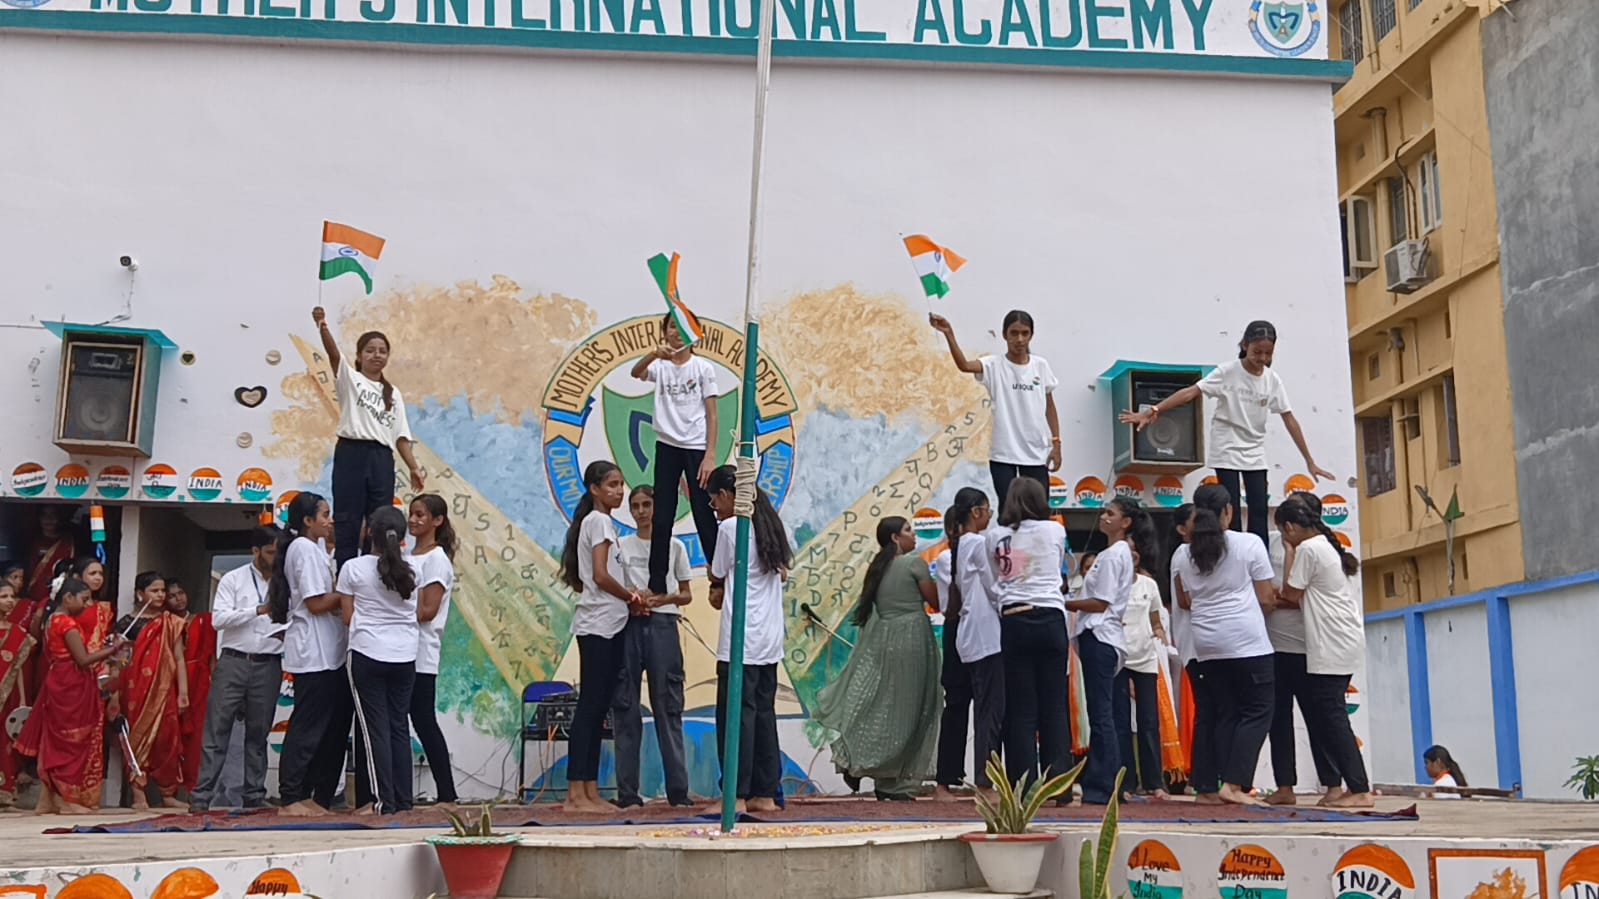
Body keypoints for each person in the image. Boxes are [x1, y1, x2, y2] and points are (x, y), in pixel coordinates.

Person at [1120, 321, 1333, 545]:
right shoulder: (1228, 372)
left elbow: (1289, 419)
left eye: (1267, 353)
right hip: (1227, 445)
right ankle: (1233, 551)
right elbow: (1191, 392)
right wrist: (1155, 410)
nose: (1261, 358)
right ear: (1244, 345)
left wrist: (1309, 460)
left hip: (1254, 449)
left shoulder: (1272, 380)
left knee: (1259, 508)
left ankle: (1258, 557)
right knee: (1229, 506)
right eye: (1256, 352)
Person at [817, 516, 942, 801]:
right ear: (896, 538)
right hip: (911, 640)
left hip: (885, 641)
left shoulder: (878, 567)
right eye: (909, 531)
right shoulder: (915, 564)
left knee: (888, 708)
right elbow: (936, 601)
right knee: (913, 711)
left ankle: (883, 778)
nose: (914, 536)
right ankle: (884, 775)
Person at [1170, 485, 1276, 806]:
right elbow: (1266, 597)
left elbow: (1184, 600)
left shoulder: (1183, 553)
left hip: (1206, 644)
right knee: (1257, 711)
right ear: (1228, 511)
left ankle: (1205, 787)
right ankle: (1234, 784)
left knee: (1217, 713)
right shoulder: (1249, 544)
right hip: (1246, 641)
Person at [705, 464, 791, 813]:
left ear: (726, 496)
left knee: (735, 717)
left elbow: (717, 570)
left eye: (714, 501)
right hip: (769, 638)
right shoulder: (770, 523)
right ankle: (765, 793)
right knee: (763, 715)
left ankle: (736, 795)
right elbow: (782, 573)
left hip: (741, 635)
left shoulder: (731, 527)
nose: (714, 508)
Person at [1274, 496, 1371, 808]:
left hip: (1332, 643)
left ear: (1289, 527)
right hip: (1336, 641)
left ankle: (1358, 788)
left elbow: (1290, 592)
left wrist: (1290, 552)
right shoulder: (1321, 547)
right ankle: (1343, 786)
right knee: (1328, 717)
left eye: (1284, 533)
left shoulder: (1308, 549)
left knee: (1333, 719)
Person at [313, 306, 425, 571]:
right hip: (352, 452)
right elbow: (332, 354)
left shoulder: (393, 393)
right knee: (348, 517)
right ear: (360, 356)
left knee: (381, 518)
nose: (377, 355)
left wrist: (413, 467)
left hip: (381, 458)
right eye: (370, 350)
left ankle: (377, 571)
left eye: (382, 351)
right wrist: (322, 326)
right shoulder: (351, 380)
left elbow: (400, 437)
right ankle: (346, 572)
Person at [559, 460, 635, 814]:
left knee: (596, 706)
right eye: (612, 485)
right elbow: (602, 576)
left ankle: (588, 791)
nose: (619, 491)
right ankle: (576, 793)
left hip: (609, 621)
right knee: (590, 708)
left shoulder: (600, 523)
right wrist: (631, 597)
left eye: (621, 485)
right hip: (599, 624)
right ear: (594, 489)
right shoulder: (599, 521)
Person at [1067, 497, 1155, 805]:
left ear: (1125, 522)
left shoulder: (1113, 555)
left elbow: (1100, 602)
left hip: (1100, 634)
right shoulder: (1116, 555)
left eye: (1110, 513)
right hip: (1105, 637)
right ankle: (1109, 781)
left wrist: (1063, 601)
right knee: (1106, 713)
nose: (1104, 517)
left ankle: (1103, 784)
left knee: (1101, 713)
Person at [610, 485, 693, 809]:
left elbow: (686, 593)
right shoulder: (621, 546)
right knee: (625, 706)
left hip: (663, 625)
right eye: (635, 505)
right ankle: (628, 793)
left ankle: (678, 791)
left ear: (657, 508)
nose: (641, 511)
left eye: (647, 504)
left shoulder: (673, 547)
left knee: (668, 707)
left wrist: (663, 598)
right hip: (629, 624)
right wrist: (632, 598)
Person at [190, 527, 283, 812]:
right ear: (255, 551)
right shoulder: (233, 579)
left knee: (258, 733)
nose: (275, 557)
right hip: (234, 660)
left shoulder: (285, 581)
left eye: (278, 551)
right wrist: (257, 611)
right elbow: (219, 619)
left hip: (268, 662)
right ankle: (202, 797)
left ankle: (253, 795)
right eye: (269, 551)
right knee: (217, 730)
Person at [630, 314, 722, 601]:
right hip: (667, 445)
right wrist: (652, 355)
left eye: (684, 328)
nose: (677, 333)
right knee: (663, 516)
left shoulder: (703, 368)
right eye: (672, 327)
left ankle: (719, 574)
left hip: (695, 446)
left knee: (703, 511)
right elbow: (636, 373)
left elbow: (712, 414)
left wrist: (710, 456)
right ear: (665, 332)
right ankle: (657, 582)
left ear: (695, 333)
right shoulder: (660, 367)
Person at [271, 492, 352, 817]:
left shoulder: (315, 549)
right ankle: (290, 796)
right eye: (324, 515)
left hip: (327, 651)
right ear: (307, 521)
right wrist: (349, 591)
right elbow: (316, 603)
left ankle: (309, 795)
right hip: (313, 652)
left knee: (325, 728)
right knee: (307, 726)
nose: (329, 520)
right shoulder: (302, 548)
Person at [929, 311, 1061, 509]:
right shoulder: (993, 365)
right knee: (1008, 510)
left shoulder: (1040, 366)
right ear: (1004, 335)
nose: (1019, 339)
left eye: (1025, 333)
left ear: (1031, 335)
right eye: (1014, 333)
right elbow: (964, 365)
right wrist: (949, 333)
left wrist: (1056, 443)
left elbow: (1049, 405)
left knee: (1038, 510)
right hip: (1004, 453)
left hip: (1035, 452)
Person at [987, 478, 1071, 786]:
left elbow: (995, 577)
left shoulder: (995, 536)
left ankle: (1022, 786)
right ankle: (1058, 786)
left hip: (1014, 617)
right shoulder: (1055, 530)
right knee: (1054, 705)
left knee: (1021, 709)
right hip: (1050, 616)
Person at [16, 580, 125, 814]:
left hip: (59, 678)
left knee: (56, 739)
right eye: (83, 599)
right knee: (71, 740)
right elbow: (83, 660)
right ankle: (65, 799)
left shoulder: (52, 620)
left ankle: (48, 799)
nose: (87, 604)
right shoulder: (66, 623)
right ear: (67, 597)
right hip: (71, 683)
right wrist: (113, 649)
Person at [337, 505, 419, 814]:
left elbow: (347, 617)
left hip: (367, 653)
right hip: (405, 656)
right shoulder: (414, 569)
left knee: (375, 731)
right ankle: (403, 801)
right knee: (399, 726)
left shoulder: (353, 568)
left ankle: (383, 802)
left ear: (369, 532)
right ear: (402, 537)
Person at [1264, 492, 1341, 807]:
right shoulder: (1272, 542)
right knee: (1278, 720)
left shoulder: (1320, 549)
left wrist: (1279, 598)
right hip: (1275, 645)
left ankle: (1333, 784)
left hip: (1310, 646)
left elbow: (1294, 596)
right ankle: (1285, 786)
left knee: (1318, 719)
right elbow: (1270, 591)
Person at [941, 487, 1004, 801]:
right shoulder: (979, 543)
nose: (990, 515)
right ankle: (985, 781)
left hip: (971, 635)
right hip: (987, 636)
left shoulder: (961, 545)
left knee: (984, 711)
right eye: (987, 509)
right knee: (989, 713)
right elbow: (996, 589)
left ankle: (985, 778)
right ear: (977, 512)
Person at [120, 571, 189, 810]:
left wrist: (183, 693)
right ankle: (138, 794)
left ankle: (167, 793)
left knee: (167, 741)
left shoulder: (172, 622)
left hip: (164, 691)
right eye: (154, 591)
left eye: (162, 591)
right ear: (141, 594)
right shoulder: (127, 623)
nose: (160, 595)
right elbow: (119, 659)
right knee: (136, 739)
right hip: (135, 691)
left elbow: (179, 658)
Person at [408, 494, 458, 806]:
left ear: (437, 521)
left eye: (420, 515)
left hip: (420, 648)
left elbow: (427, 610)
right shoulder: (408, 555)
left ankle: (447, 792)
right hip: (400, 647)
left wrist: (387, 615)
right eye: (411, 514)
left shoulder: (436, 560)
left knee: (423, 719)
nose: (413, 520)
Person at [1112, 549, 1169, 799]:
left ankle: (1154, 782)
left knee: (1149, 721)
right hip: (1118, 657)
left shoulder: (1149, 585)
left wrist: (1159, 633)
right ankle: (1125, 783)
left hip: (1145, 657)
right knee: (1120, 723)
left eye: (1135, 552)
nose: (1132, 556)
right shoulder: (1110, 583)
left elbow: (1155, 620)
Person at [0, 580, 37, 809]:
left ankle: (4, 792)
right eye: (4, 596)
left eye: (12, 596)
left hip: (7, 697)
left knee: (5, 744)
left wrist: (22, 701)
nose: (10, 601)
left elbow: (18, 670)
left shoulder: (19, 634)